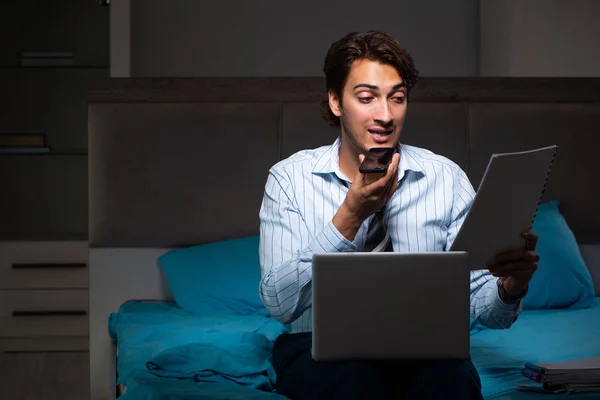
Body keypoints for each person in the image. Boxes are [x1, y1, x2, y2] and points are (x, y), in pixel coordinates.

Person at [257, 30, 540, 400]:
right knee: (352, 381)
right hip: (316, 347)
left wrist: (509, 288)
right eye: (366, 98)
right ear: (335, 101)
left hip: (425, 346)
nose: (386, 115)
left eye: (398, 98)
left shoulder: (446, 177)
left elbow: (485, 309)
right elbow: (279, 305)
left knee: (452, 382)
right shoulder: (290, 179)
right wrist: (350, 217)